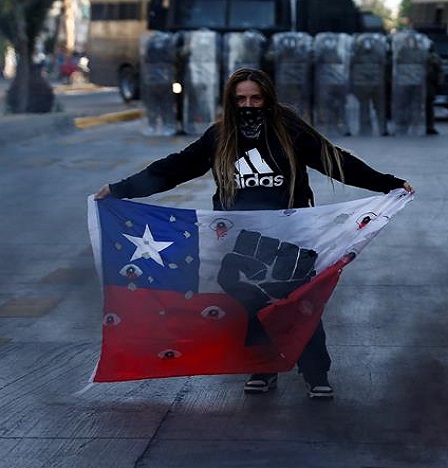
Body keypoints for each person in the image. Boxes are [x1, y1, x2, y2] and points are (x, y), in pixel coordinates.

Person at [93, 68, 414, 399]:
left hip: (291, 235)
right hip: (240, 239)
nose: (248, 105)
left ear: (268, 99)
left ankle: (316, 373)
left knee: (298, 305)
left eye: (255, 98)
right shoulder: (218, 137)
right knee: (253, 306)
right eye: (241, 99)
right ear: (231, 103)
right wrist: (119, 190)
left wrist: (388, 183)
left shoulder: (290, 131)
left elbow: (338, 162)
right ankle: (264, 367)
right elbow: (172, 169)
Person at [425, 45, 444, 135]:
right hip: (423, 83)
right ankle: (428, 126)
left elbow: (439, 70)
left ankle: (429, 126)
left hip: (428, 83)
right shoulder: (433, 57)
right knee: (428, 106)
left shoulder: (433, 57)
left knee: (428, 106)